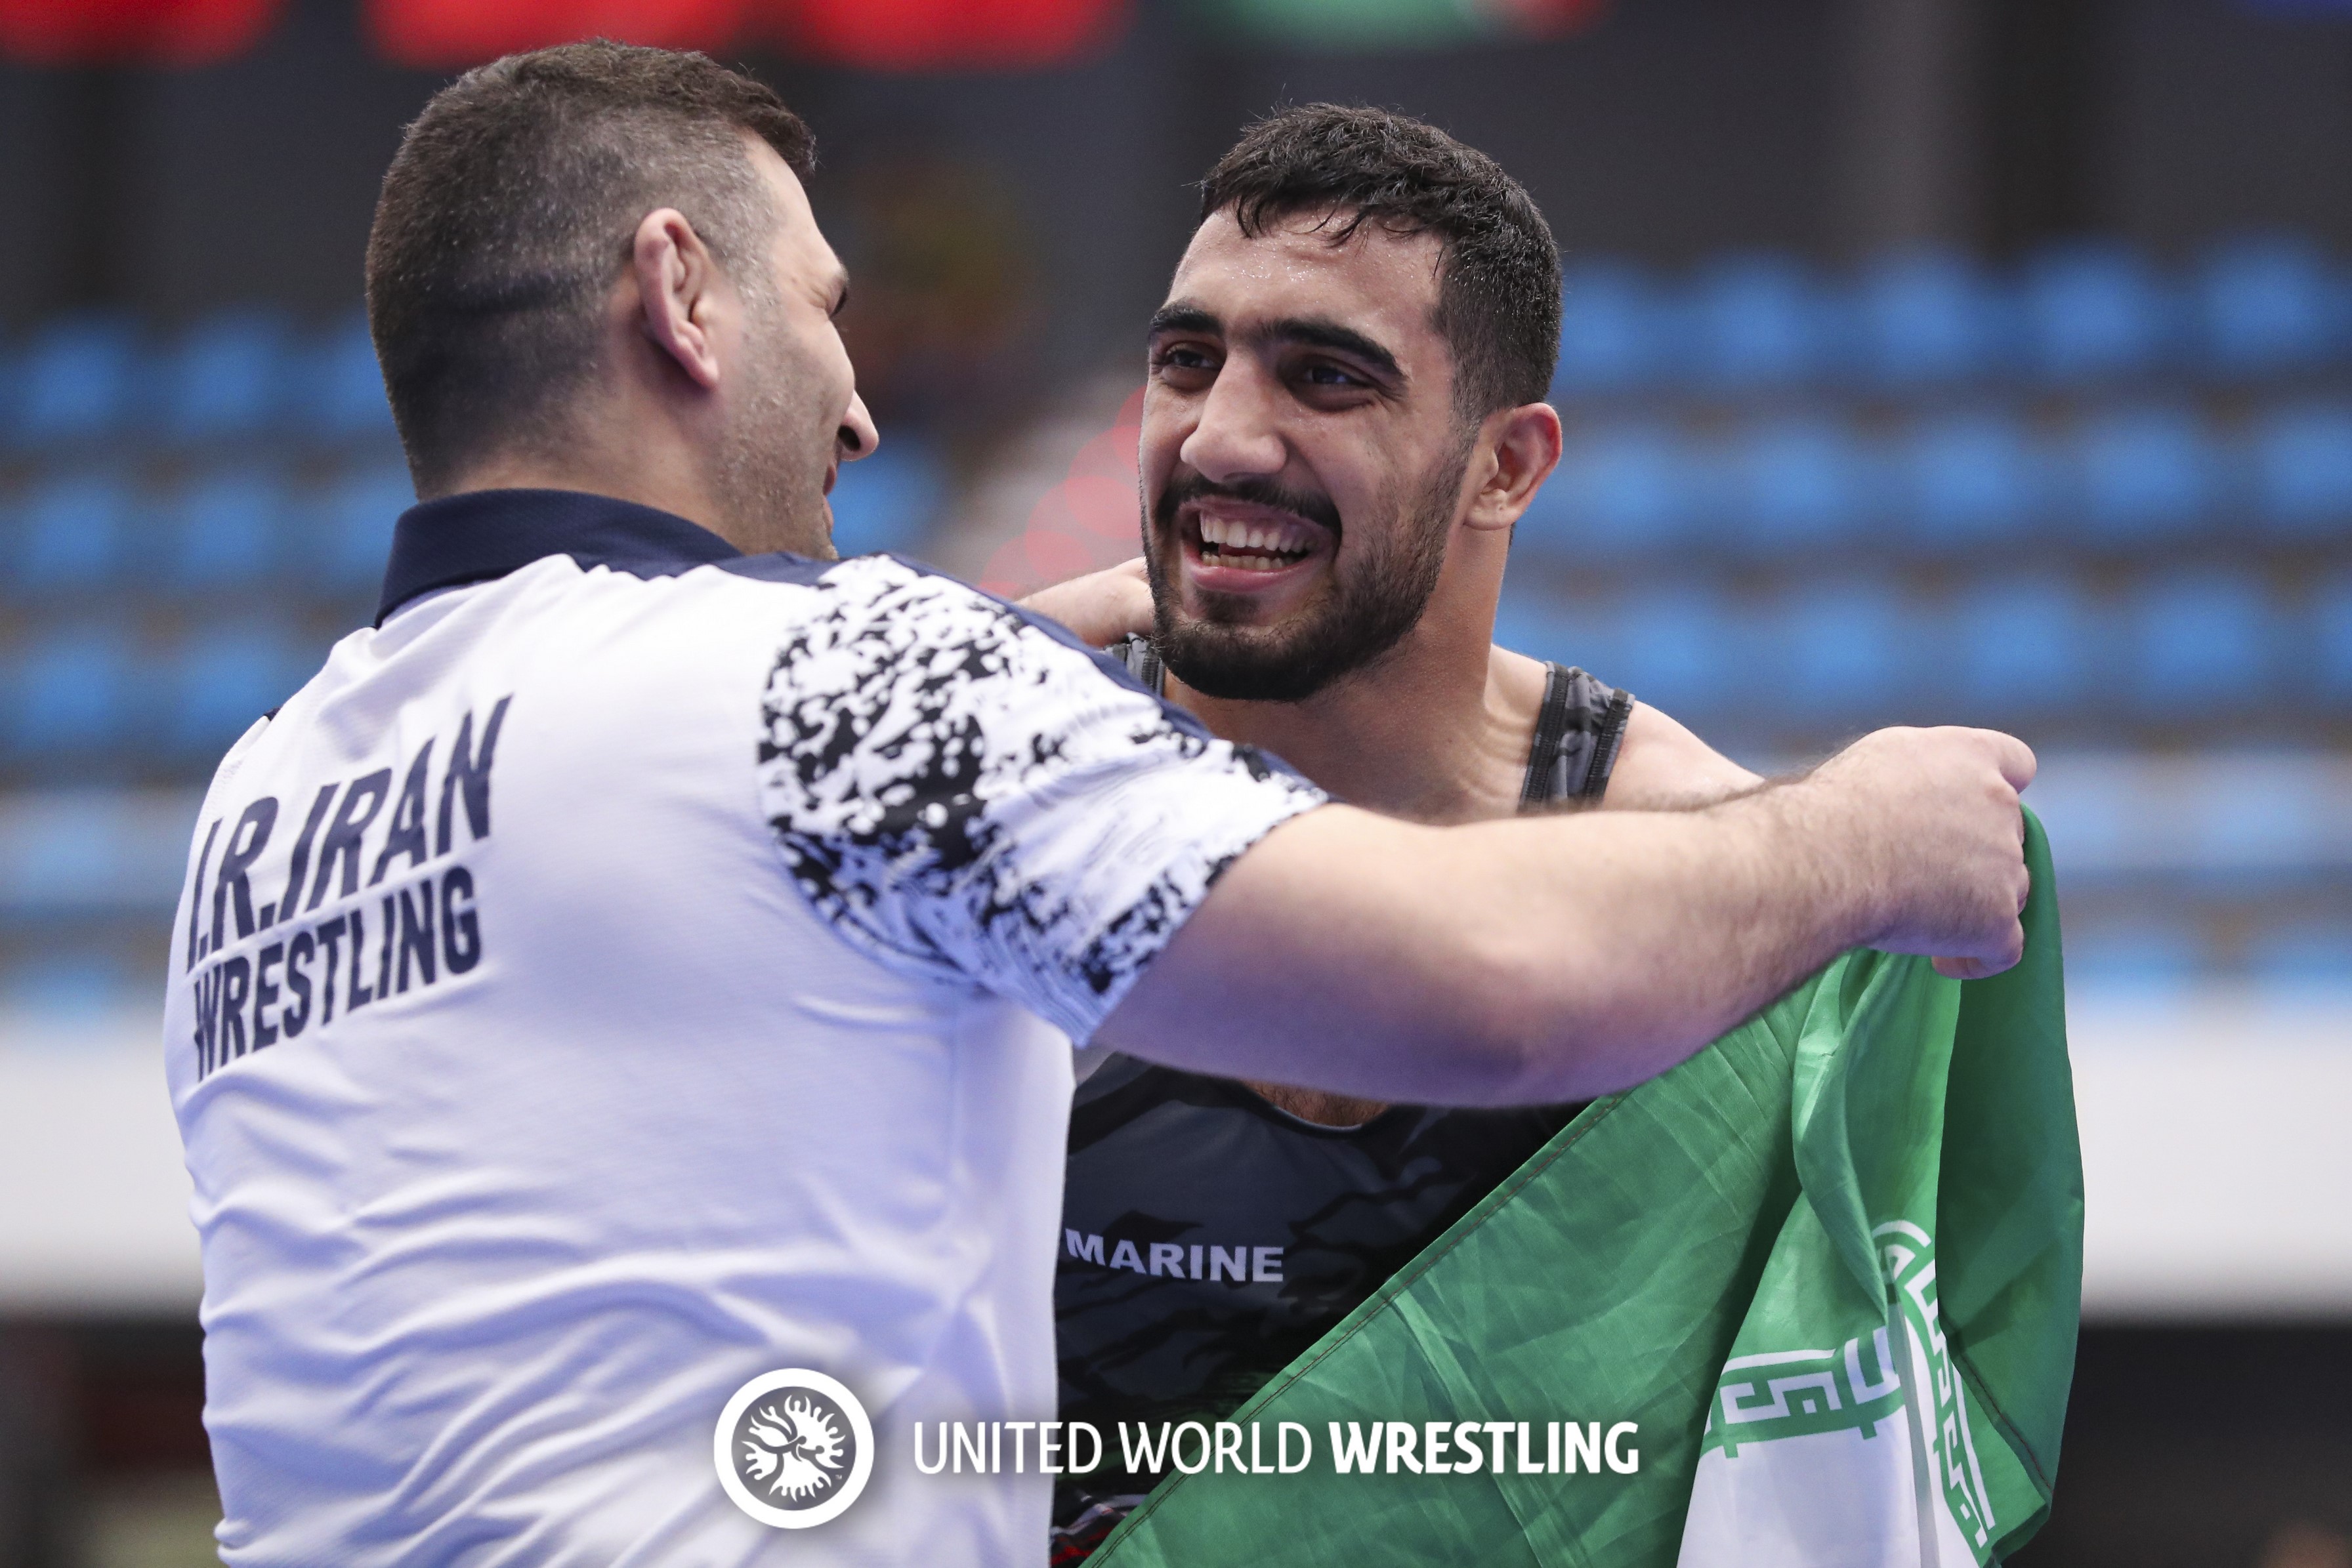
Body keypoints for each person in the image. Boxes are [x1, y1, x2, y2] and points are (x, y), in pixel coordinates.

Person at [163, 44, 2034, 1567]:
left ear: (1506, 464)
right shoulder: (836, 681)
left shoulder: (268, 796)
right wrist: (1869, 832)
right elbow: (1498, 988)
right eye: (827, 308)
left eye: (1320, 373)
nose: (861, 411)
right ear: (681, 294)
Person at [1045, 104, 1866, 1552]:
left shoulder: (1703, 853)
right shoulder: (1003, 776)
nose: (1221, 436)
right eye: (1187, 361)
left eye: (1324, 376)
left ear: (1506, 468)